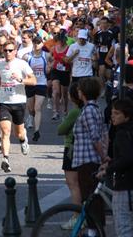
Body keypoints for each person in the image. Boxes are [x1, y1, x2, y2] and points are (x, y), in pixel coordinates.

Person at [98, 99, 133, 237]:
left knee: (124, 228)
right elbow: (132, 156)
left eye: (117, 113)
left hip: (126, 185)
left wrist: (107, 170)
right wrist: (112, 162)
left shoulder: (121, 133)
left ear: (127, 116)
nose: (112, 116)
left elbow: (127, 159)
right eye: (112, 113)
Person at [72, 77, 108, 236]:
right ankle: (95, 229)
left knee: (91, 197)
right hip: (88, 158)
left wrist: (103, 156)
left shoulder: (88, 111)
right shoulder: (95, 109)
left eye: (79, 89)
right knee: (92, 197)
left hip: (88, 159)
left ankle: (95, 231)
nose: (78, 92)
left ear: (84, 92)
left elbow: (95, 137)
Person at [0, 40, 37, 172]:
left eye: (10, 50)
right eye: (5, 50)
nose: (7, 53)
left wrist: (21, 80)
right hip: (4, 102)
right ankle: (5, 159)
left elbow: (34, 80)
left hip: (18, 101)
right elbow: (1, 79)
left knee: (18, 133)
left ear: (15, 51)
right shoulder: (1, 65)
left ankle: (23, 140)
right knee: (5, 131)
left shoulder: (22, 64)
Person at [56, 82, 83, 229]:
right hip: (81, 148)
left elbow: (61, 129)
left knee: (73, 184)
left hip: (71, 148)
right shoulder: (86, 109)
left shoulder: (75, 112)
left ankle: (77, 216)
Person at [23, 36, 49, 141]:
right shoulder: (27, 57)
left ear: (42, 43)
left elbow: (54, 61)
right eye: (34, 42)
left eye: (38, 43)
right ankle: (31, 116)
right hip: (30, 84)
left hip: (42, 83)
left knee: (37, 107)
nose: (36, 44)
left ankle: (36, 131)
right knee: (31, 108)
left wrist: (49, 67)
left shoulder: (46, 55)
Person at [50, 31, 71, 120]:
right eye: (60, 40)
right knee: (56, 91)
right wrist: (50, 65)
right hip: (55, 70)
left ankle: (65, 110)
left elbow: (70, 61)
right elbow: (51, 58)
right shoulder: (54, 48)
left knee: (64, 94)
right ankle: (56, 111)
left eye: (63, 40)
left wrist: (71, 74)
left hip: (65, 71)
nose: (61, 42)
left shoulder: (69, 48)